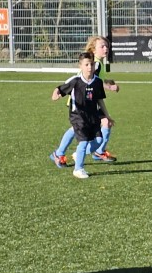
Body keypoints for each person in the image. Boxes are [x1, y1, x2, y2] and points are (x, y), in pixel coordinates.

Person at [50, 36, 119, 168]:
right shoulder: (95, 64)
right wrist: (110, 87)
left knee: (78, 128)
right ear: (93, 49)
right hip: (81, 101)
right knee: (103, 123)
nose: (106, 48)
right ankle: (96, 152)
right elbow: (93, 83)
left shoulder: (98, 63)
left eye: (107, 46)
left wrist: (108, 82)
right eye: (102, 46)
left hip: (86, 100)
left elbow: (97, 81)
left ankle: (60, 153)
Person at [50, 51, 108, 179]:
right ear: (80, 66)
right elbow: (59, 89)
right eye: (86, 64)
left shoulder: (97, 82)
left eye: (91, 64)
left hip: (93, 117)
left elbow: (100, 100)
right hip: (78, 116)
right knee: (84, 142)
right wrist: (55, 95)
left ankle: (78, 154)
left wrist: (106, 115)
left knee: (99, 141)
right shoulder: (75, 81)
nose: (89, 67)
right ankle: (78, 169)